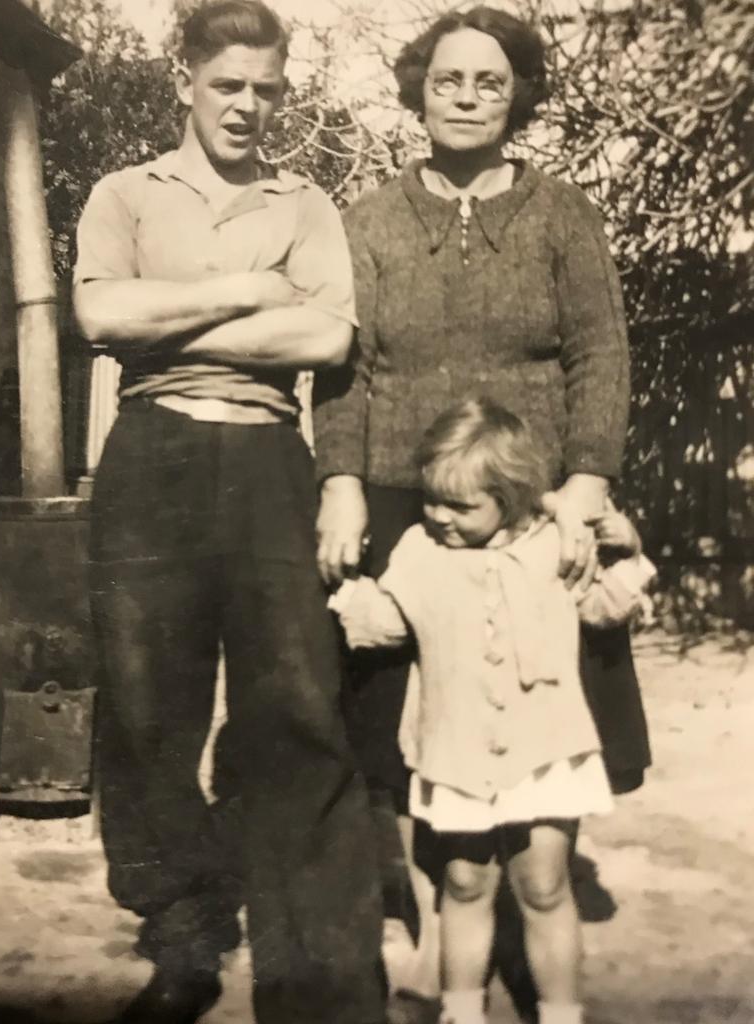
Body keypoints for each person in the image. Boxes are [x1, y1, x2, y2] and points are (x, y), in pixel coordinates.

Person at [313, 5, 651, 1018]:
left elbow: (602, 355)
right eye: (447, 79)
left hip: (534, 505)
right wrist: (338, 483)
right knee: (404, 733)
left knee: (548, 710)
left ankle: (539, 894)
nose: (465, 97)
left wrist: (586, 484)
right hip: (399, 498)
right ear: (417, 90)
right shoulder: (367, 220)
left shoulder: (563, 214)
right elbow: (346, 368)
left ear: (520, 96)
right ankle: (440, 933)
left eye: (489, 81)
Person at [73, 4, 386, 1023]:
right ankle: (184, 941)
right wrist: (248, 290)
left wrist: (177, 314)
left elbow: (327, 340)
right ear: (186, 81)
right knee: (147, 709)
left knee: (295, 703)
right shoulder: (125, 193)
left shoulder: (309, 205)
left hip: (265, 461)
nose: (247, 106)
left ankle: (316, 971)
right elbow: (100, 316)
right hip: (150, 456)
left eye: (265, 89)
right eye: (227, 86)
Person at [329, 397, 655, 1024]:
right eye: (431, 501)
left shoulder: (557, 550)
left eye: (460, 506)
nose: (439, 517)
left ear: (509, 496)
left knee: (544, 885)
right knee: (464, 884)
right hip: (455, 751)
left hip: (546, 750)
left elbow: (605, 610)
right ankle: (462, 1009)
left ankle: (562, 1012)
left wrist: (630, 553)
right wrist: (346, 589)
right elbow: (388, 623)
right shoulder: (419, 553)